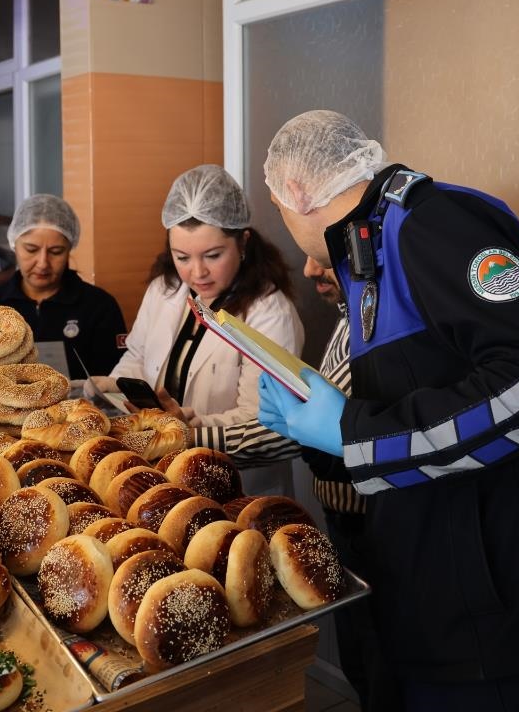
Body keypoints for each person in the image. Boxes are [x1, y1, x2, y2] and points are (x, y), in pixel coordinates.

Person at [256, 110, 519, 711]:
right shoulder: (367, 249)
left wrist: (354, 431)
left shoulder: (432, 225)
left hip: (514, 617)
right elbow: (430, 390)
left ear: (297, 193)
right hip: (440, 595)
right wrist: (328, 425)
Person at [159, 254, 382, 706]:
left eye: (323, 258)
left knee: (376, 659)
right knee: (365, 655)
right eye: (182, 256)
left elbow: (299, 430)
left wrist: (190, 435)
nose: (309, 270)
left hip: (368, 520)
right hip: (342, 511)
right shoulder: (352, 312)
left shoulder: (371, 322)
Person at [99, 165, 304, 492]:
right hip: (160, 474)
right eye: (182, 257)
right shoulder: (164, 291)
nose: (197, 273)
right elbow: (137, 355)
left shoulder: (269, 314)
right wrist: (113, 385)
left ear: (243, 243)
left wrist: (187, 427)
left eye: (213, 255)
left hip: (237, 483)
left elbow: (262, 421)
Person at [0, 194, 127, 380]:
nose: (43, 263)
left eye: (56, 252)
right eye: (31, 250)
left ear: (69, 249)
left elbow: (113, 379)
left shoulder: (98, 306)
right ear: (14, 245)